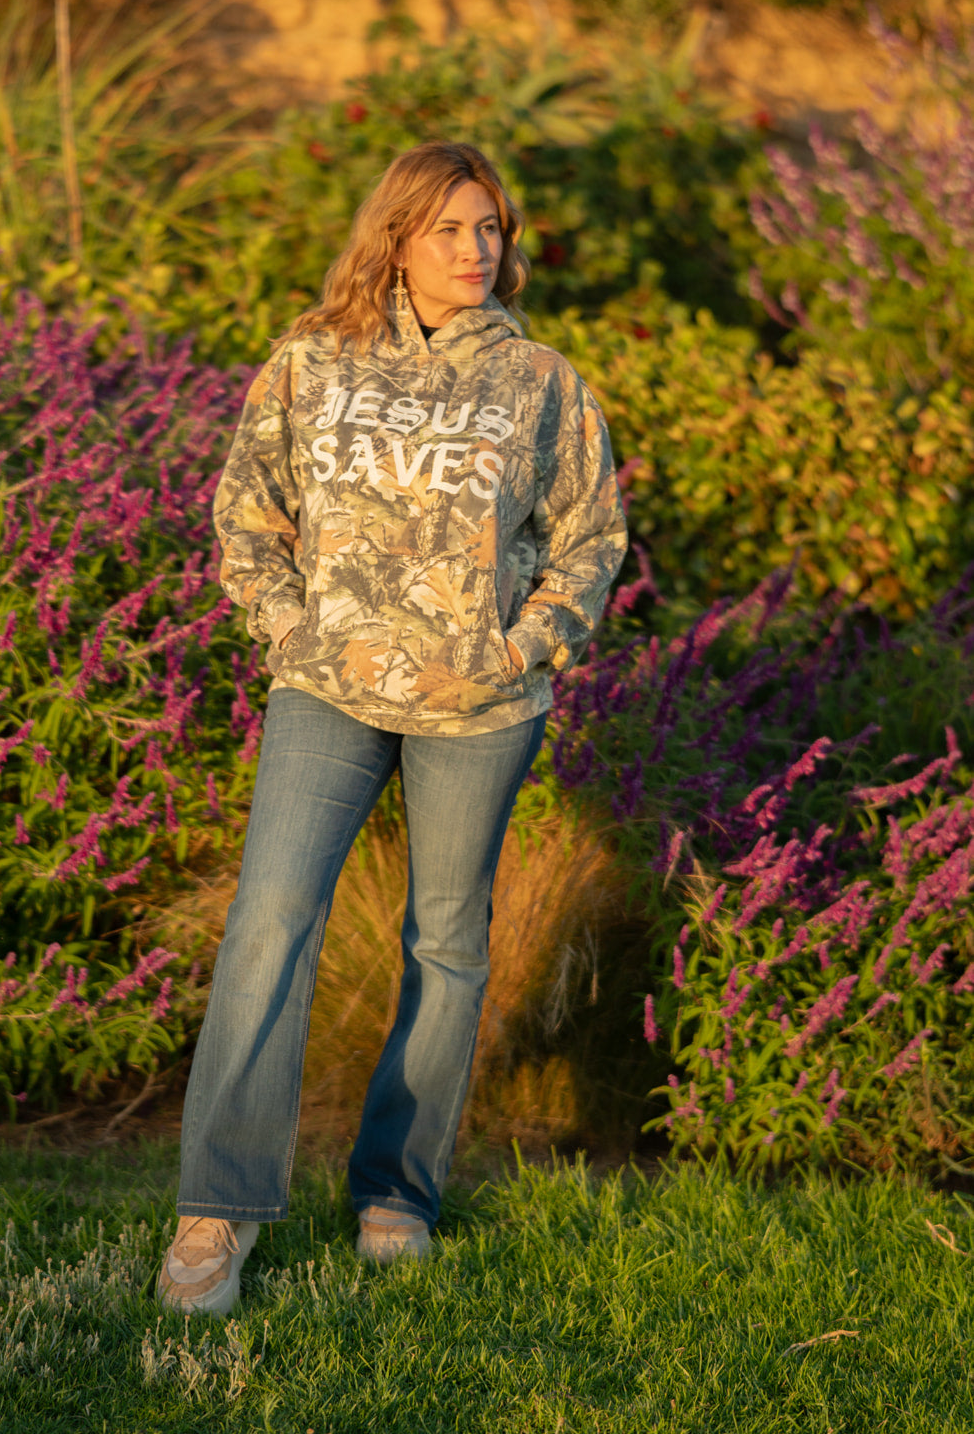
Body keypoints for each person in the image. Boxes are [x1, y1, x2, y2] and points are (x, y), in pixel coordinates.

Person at [158, 140, 627, 1315]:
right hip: (329, 688)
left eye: (491, 229)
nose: (477, 251)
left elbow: (590, 538)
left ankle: (396, 1195)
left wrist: (521, 645)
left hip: (479, 707)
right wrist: (287, 628)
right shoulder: (311, 363)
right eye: (452, 230)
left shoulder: (543, 383)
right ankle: (217, 1211)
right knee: (270, 916)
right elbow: (246, 508)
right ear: (397, 239)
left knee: (446, 941)